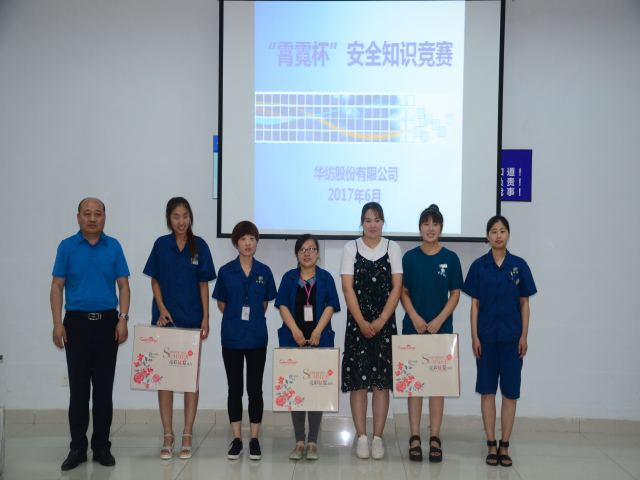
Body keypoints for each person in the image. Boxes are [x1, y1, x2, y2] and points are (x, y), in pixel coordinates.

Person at [50, 198, 130, 471]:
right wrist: (57, 323)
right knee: (79, 390)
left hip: (108, 324)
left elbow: (124, 286)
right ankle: (77, 448)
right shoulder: (67, 246)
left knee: (104, 390)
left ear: (104, 218)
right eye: (87, 214)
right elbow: (57, 287)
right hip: (75, 325)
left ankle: (102, 447)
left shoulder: (114, 246)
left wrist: (123, 319)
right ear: (78, 217)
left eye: (97, 214)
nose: (92, 218)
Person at [142, 197, 216, 460]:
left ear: (190, 217)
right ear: (169, 219)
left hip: (192, 320)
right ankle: (167, 434)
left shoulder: (200, 246)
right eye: (176, 216)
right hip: (165, 320)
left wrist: (206, 317)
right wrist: (161, 308)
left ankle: (186, 434)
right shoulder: (161, 245)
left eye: (185, 216)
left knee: (188, 380)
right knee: (164, 379)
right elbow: (155, 281)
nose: (181, 221)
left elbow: (204, 284)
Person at [463, 216, 537, 467]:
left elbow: (525, 303)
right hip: (485, 339)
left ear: (508, 234)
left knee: (510, 393)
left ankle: (504, 445)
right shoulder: (478, 266)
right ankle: (491, 444)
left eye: (502, 231)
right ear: (487, 236)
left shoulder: (519, 265)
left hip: (512, 339)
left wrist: (524, 336)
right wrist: (474, 336)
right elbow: (474, 305)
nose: (498, 235)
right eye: (493, 231)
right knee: (487, 392)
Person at [399, 205, 463, 462]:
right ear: (420, 228)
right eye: (426, 224)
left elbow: (455, 293)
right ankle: (414, 436)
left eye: (435, 224)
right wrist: (415, 316)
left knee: (437, 386)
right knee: (414, 385)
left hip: (441, 331)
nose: (430, 228)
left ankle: (435, 436)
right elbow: (403, 292)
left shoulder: (451, 258)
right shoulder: (409, 257)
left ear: (441, 228)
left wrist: (439, 320)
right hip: (412, 329)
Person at [340, 202, 403, 460]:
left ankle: (377, 439)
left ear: (383, 222)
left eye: (377, 220)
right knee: (358, 383)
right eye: (367, 220)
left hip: (384, 326)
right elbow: (347, 288)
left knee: (381, 384)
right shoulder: (350, 248)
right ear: (361, 222)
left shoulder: (392, 248)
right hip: (358, 326)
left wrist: (382, 319)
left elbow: (397, 287)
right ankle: (362, 438)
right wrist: (362, 321)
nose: (372, 225)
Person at [212, 221, 277, 461]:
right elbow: (221, 302)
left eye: (251, 238)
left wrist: (250, 319)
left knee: (255, 389)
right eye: (243, 239)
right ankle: (237, 439)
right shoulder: (225, 271)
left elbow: (264, 303)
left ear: (256, 242)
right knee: (235, 389)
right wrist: (235, 319)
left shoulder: (265, 272)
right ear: (236, 243)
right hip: (232, 337)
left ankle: (254, 439)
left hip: (257, 337)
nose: (248, 243)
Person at [275, 234, 341, 461]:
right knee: (295, 390)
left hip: (318, 341)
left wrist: (318, 331)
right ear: (297, 253)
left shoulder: (325, 278)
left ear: (318, 253)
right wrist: (294, 330)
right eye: (302, 249)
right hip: (292, 340)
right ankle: (299, 441)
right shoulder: (288, 278)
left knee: (316, 389)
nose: (307, 253)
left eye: (311, 249)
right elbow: (282, 305)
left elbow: (331, 305)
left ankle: (312, 441)